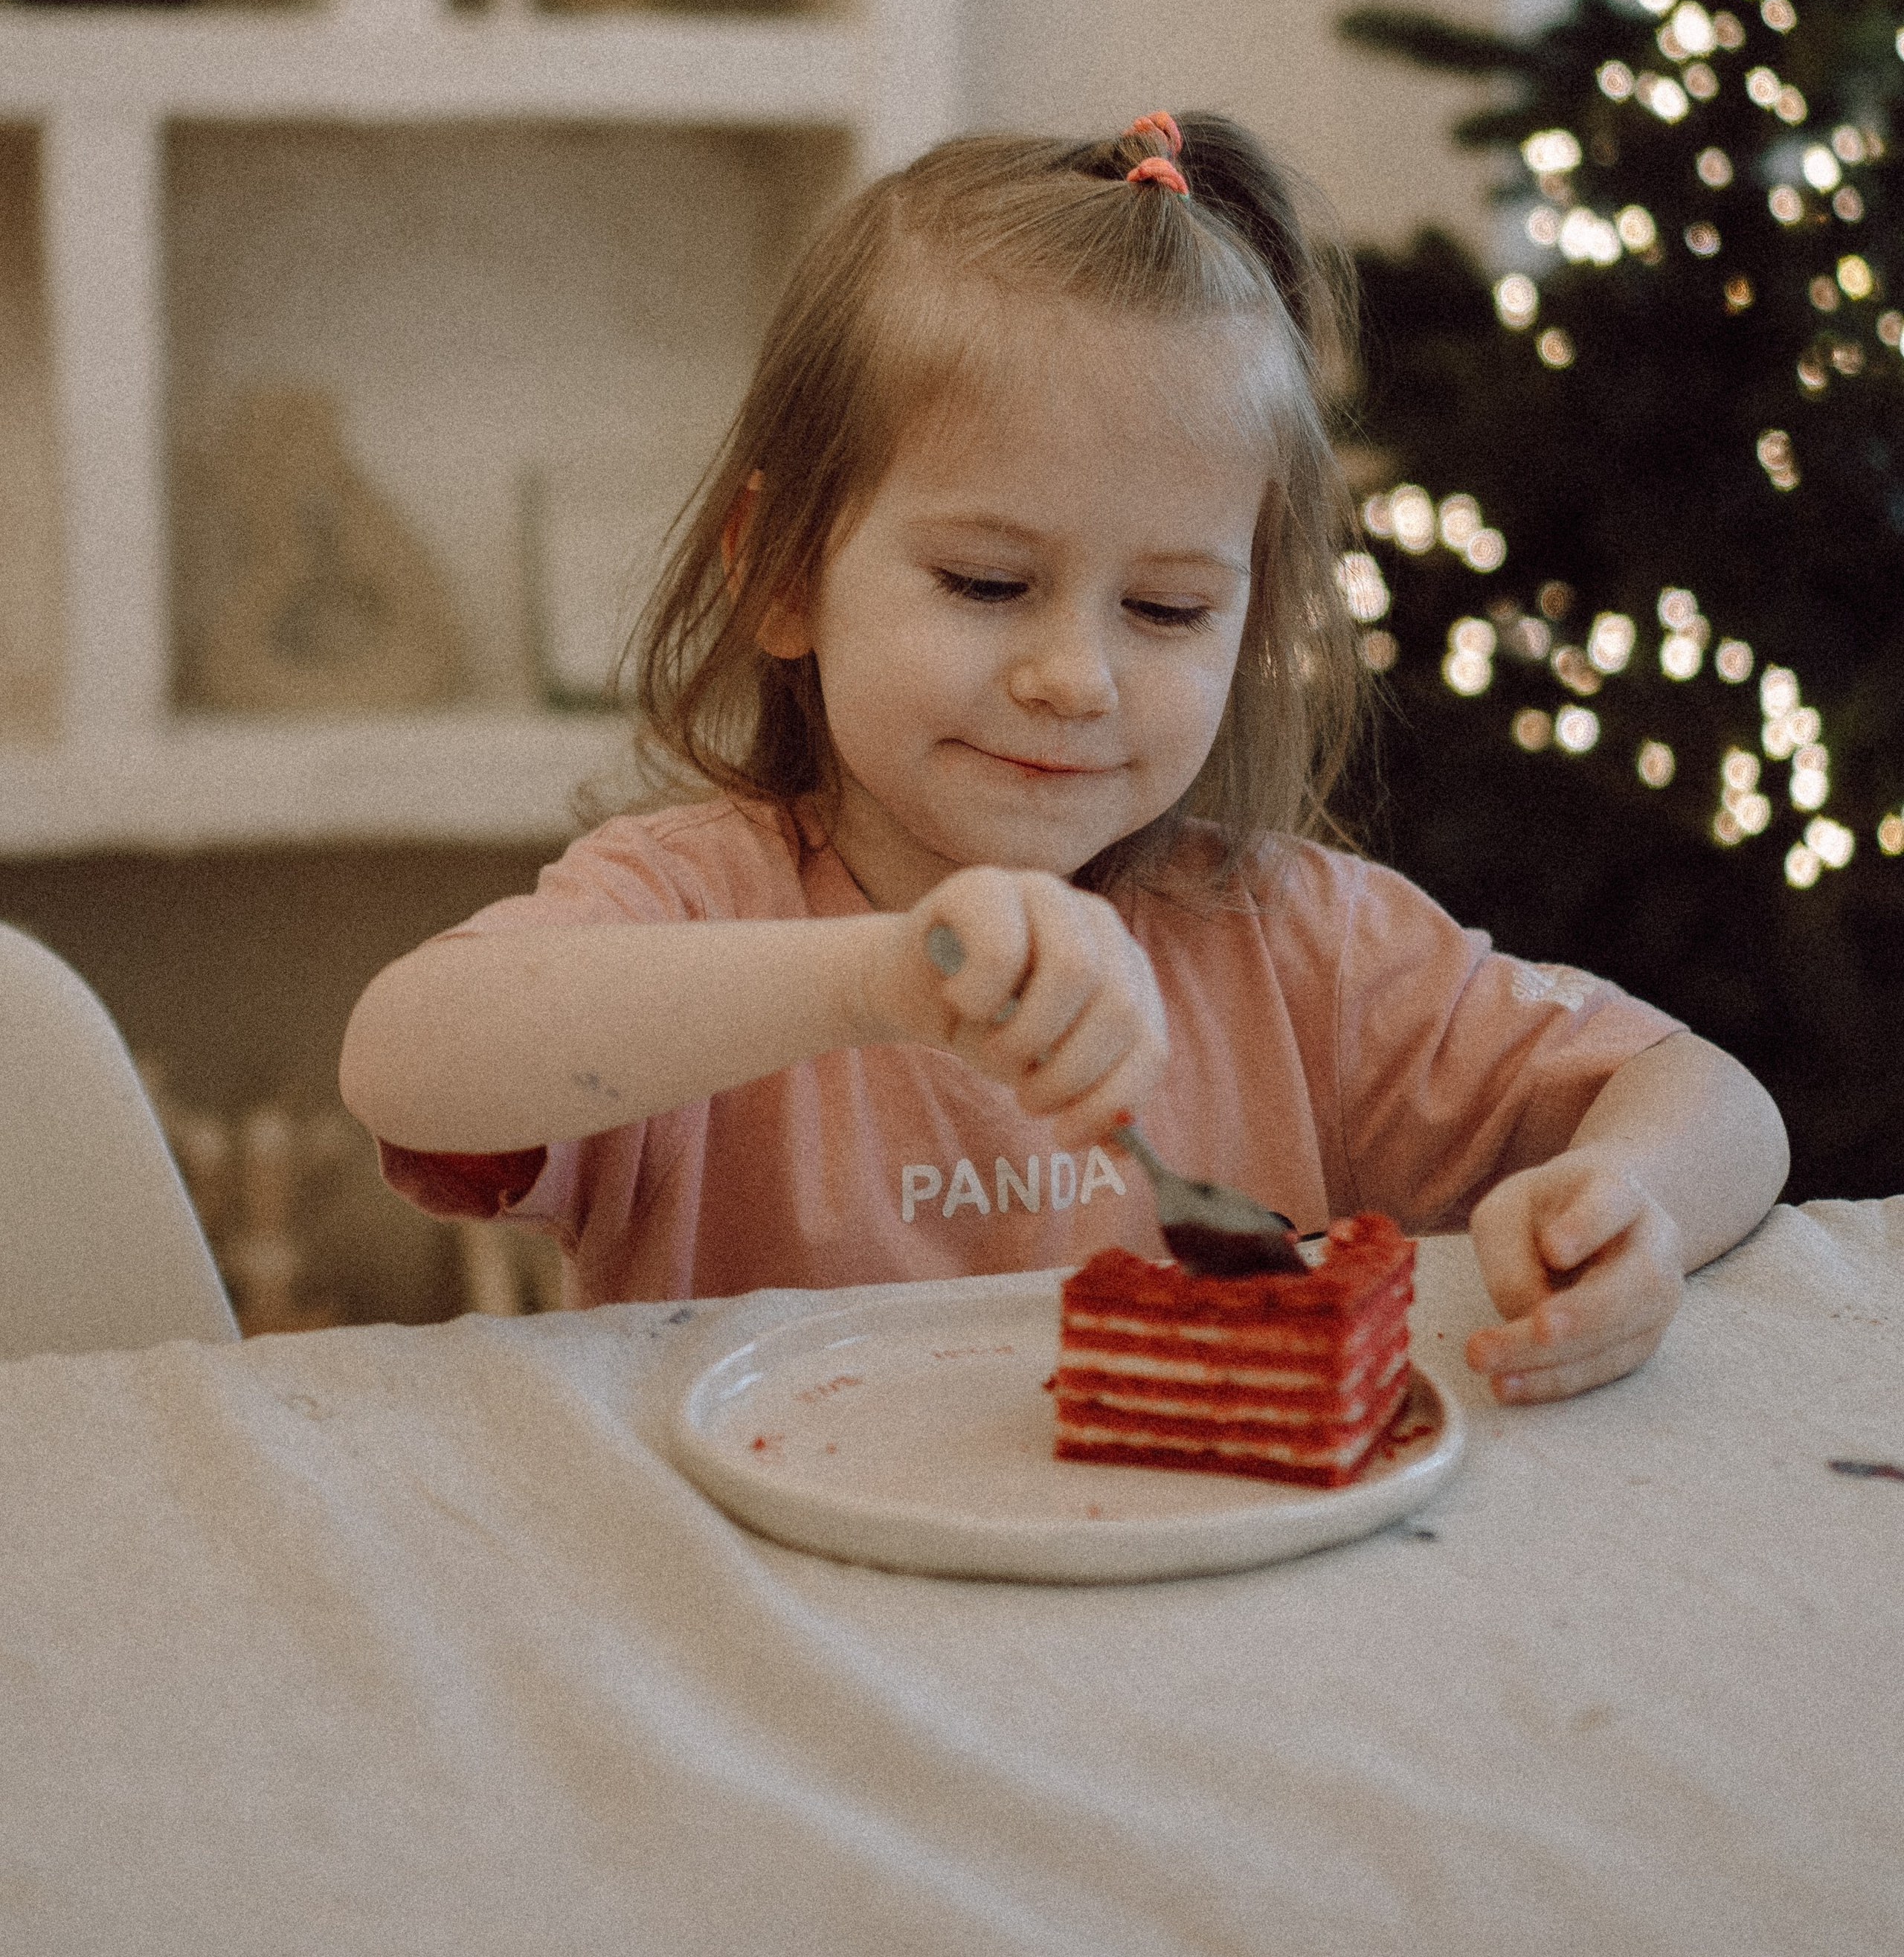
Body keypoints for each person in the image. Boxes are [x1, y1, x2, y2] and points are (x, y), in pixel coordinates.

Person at [340, 111, 1789, 1403]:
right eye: (984, 584)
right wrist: (877, 979)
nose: (1073, 678)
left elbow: (1711, 1096)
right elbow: (404, 1062)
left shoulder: (1300, 952)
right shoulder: (700, 909)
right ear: (780, 573)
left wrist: (1626, 1202)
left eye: (1165, 609)